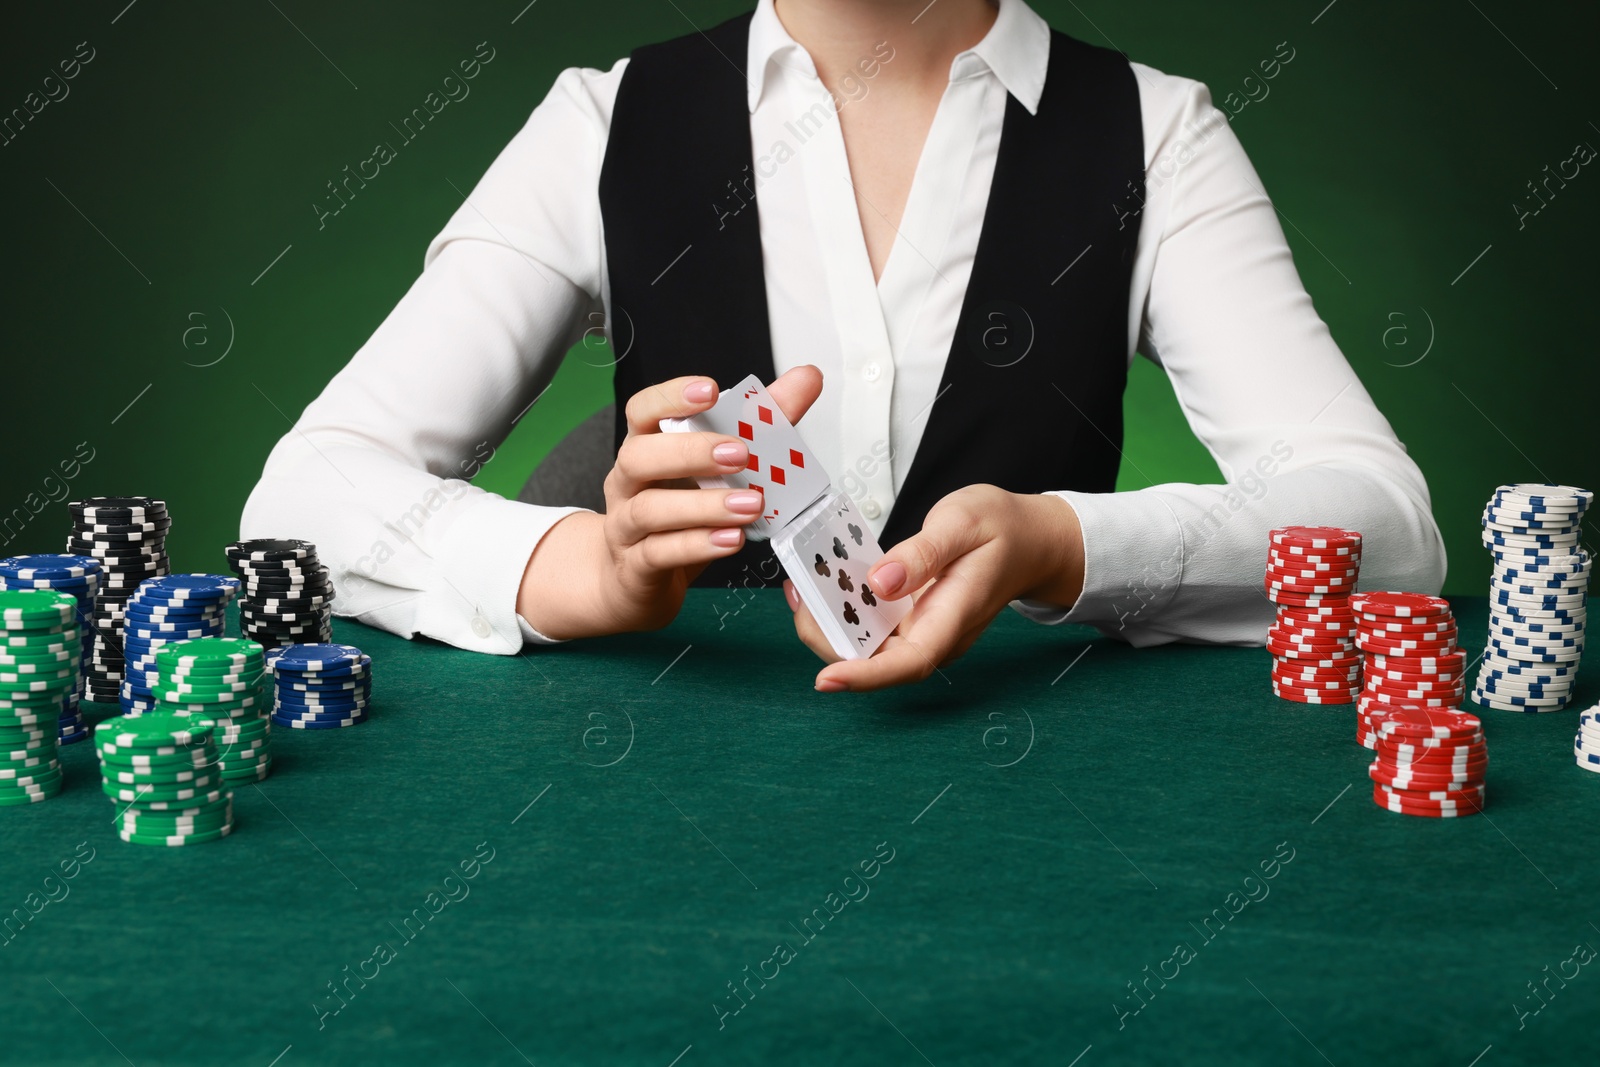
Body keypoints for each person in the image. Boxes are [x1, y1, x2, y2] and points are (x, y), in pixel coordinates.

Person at [242, 0, 1445, 692]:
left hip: (1034, 846)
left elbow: (1385, 529)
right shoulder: (603, 126)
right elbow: (306, 495)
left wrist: (1063, 542)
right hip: (655, 849)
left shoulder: (1155, 134)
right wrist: (587, 569)